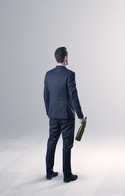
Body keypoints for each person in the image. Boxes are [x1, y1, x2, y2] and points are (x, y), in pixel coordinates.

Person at [43, 47, 87, 183]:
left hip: (53, 115)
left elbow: (46, 95)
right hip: (67, 116)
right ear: (65, 57)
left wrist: (48, 112)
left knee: (51, 142)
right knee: (67, 145)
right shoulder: (70, 74)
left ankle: (49, 172)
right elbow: (74, 97)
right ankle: (67, 175)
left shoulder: (48, 74)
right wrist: (80, 117)